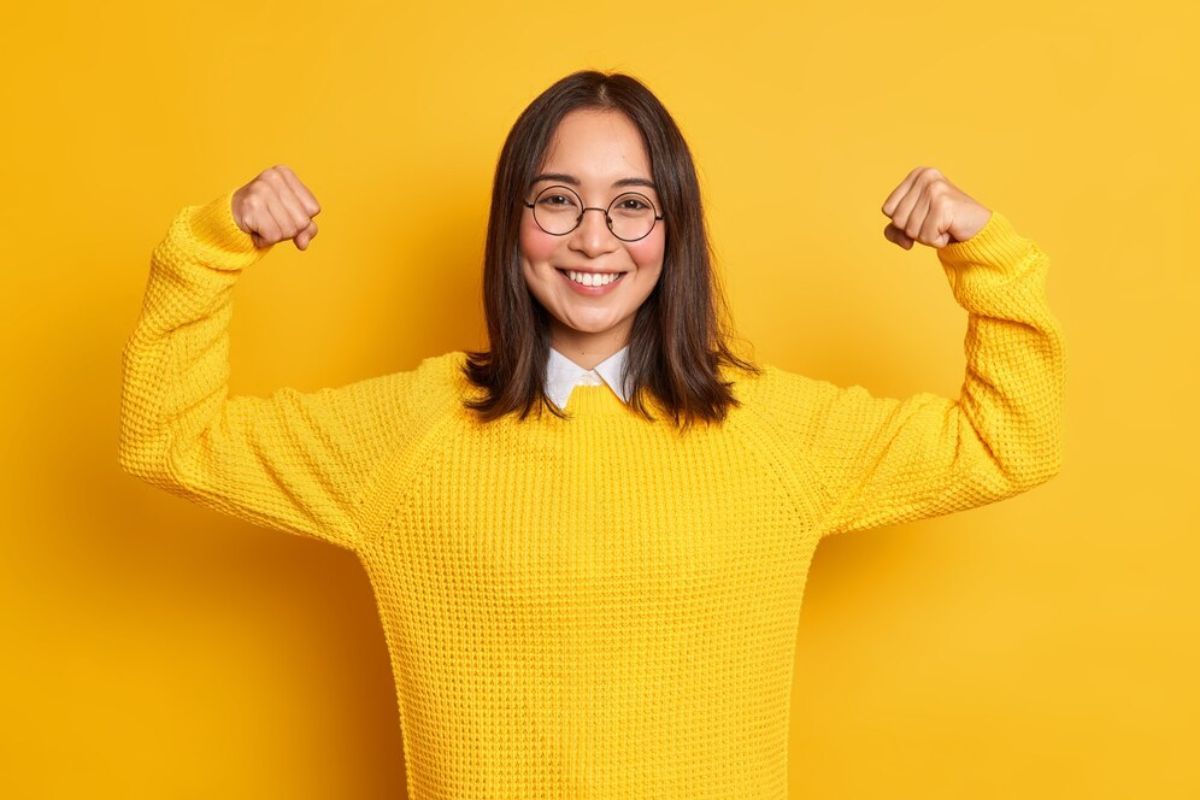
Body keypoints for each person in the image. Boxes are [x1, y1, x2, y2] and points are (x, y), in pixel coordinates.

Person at [118, 70, 1066, 798]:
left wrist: (984, 253)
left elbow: (1006, 442)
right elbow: (166, 435)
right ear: (515, 221)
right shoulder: (407, 434)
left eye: (632, 204)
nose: (594, 238)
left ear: (672, 228)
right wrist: (213, 246)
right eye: (558, 198)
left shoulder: (775, 430)